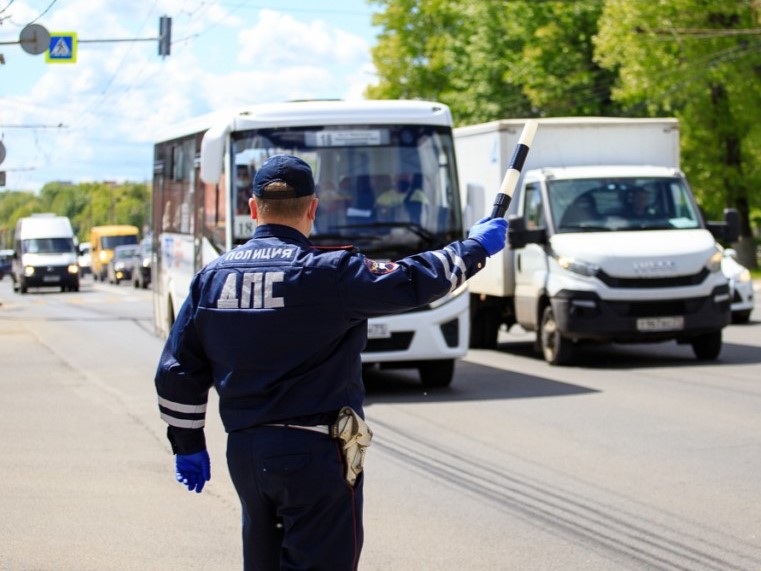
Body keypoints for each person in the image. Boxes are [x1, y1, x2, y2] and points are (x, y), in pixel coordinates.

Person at [154, 154, 508, 571]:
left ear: (252, 209)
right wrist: (473, 249)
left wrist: (188, 445)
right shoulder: (328, 272)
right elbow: (412, 280)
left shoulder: (212, 277)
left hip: (246, 454)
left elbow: (177, 371)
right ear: (312, 208)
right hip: (312, 454)